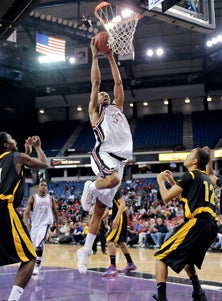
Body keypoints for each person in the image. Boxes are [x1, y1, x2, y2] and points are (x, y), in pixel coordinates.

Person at [77, 36, 133, 274]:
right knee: (113, 180)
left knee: (99, 212)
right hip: (103, 154)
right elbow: (96, 83)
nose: (105, 96)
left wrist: (112, 57)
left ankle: (85, 251)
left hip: (120, 161)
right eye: (102, 96)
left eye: (106, 96)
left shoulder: (117, 109)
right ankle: (90, 185)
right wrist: (96, 55)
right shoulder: (94, 112)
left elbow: (118, 85)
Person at [153, 147, 218, 301]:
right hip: (210, 226)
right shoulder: (205, 178)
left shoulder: (190, 175)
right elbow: (187, 197)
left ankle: (162, 298)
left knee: (161, 257)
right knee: (188, 257)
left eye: (190, 155)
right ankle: (198, 291)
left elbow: (166, 197)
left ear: (195, 161)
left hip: (196, 223)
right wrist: (172, 181)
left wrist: (160, 182)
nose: (187, 156)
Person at [0, 132, 49, 301]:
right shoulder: (17, 156)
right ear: (7, 145)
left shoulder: (8, 159)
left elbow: (11, 170)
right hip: (5, 209)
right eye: (12, 139)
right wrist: (37, 147)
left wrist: (26, 154)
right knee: (29, 258)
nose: (15, 140)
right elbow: (44, 164)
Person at [23, 181, 59, 275]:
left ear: (47, 188)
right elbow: (26, 212)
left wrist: (57, 226)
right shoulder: (33, 198)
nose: (43, 187)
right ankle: (38, 260)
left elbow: (55, 212)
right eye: (41, 185)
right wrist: (26, 223)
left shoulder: (50, 199)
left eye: (45, 185)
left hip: (46, 224)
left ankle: (37, 266)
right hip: (35, 225)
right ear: (38, 187)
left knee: (39, 244)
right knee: (35, 246)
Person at [102, 189, 136, 277]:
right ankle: (130, 264)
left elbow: (122, 204)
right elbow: (106, 210)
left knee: (109, 240)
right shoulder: (106, 193)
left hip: (119, 216)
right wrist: (98, 220)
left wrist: (117, 218)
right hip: (115, 216)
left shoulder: (114, 189)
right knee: (121, 243)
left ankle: (113, 267)